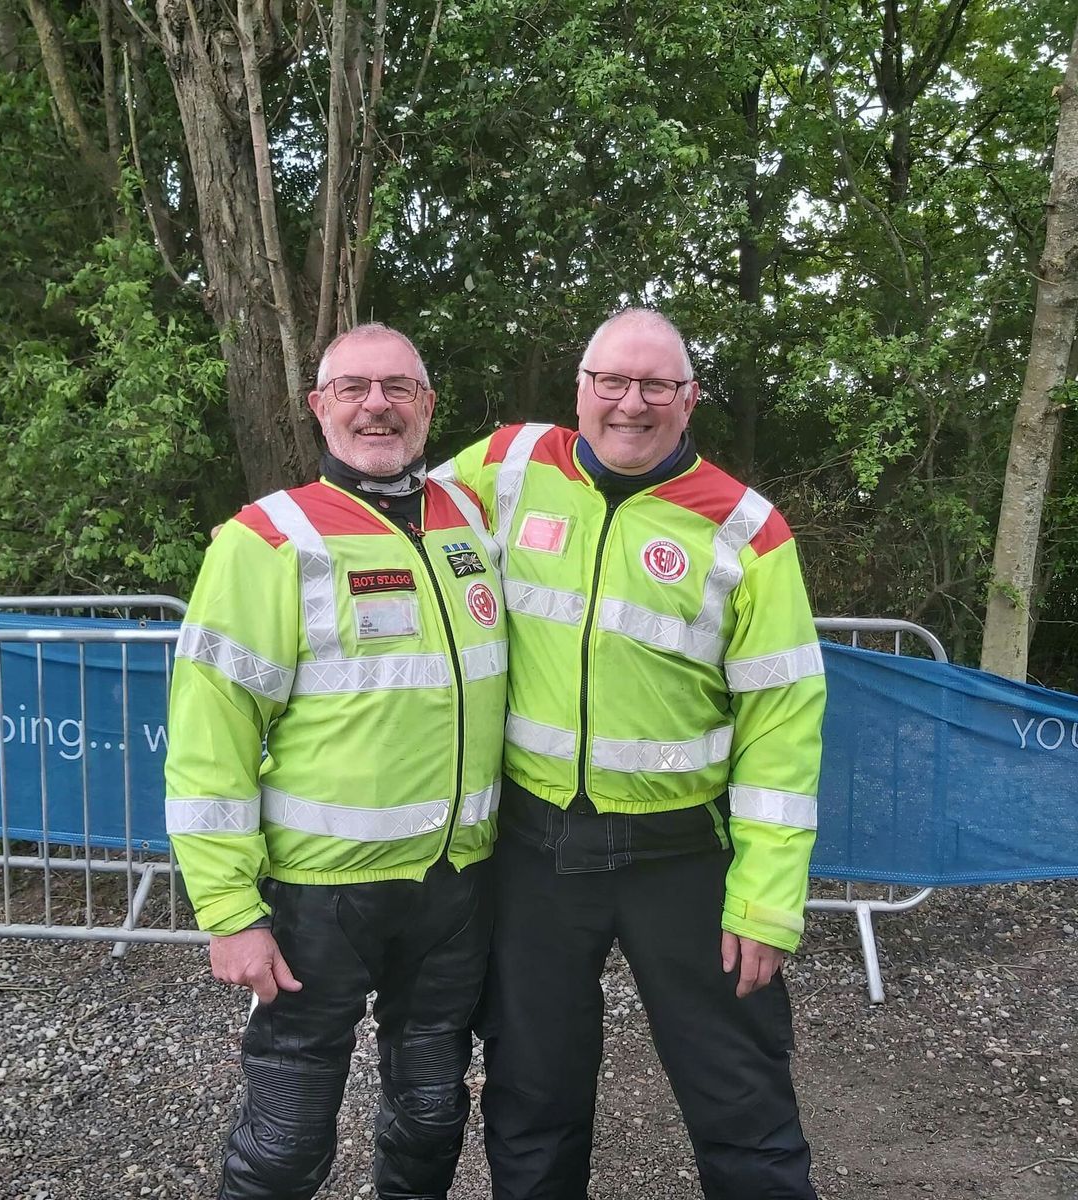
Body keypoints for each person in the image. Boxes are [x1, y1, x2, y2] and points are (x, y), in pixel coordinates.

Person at [437, 308, 826, 1200]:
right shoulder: (506, 465)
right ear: (579, 388)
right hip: (536, 851)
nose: (630, 404)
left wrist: (767, 900)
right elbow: (401, 526)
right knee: (532, 1095)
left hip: (684, 857)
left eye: (655, 386)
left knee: (742, 1100)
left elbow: (783, 722)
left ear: (689, 399)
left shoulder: (746, 528)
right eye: (611, 381)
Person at [165, 323, 507, 1200]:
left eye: (399, 388)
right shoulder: (265, 539)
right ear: (319, 407)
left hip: (453, 885)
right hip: (319, 898)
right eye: (352, 388)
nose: (377, 406)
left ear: (429, 406)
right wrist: (229, 911)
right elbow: (211, 738)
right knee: (285, 1139)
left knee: (431, 1118)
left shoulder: (470, 518)